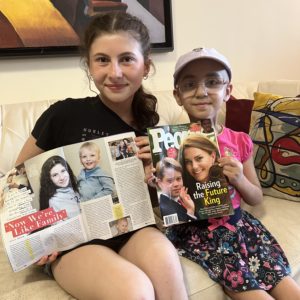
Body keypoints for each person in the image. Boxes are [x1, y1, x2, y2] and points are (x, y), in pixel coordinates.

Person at [15, 12, 188, 300]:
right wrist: (36, 237)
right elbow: (17, 181)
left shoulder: (152, 131)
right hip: (75, 241)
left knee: (168, 268)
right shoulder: (63, 114)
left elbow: (169, 204)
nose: (115, 72)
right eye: (103, 60)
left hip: (132, 229)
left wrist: (158, 177)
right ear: (89, 66)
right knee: (135, 290)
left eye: (127, 59)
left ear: (146, 66)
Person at [166, 47, 300, 299]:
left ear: (228, 91)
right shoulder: (169, 144)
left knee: (291, 292)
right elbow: (168, 204)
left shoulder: (239, 140)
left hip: (241, 227)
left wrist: (238, 179)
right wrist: (158, 181)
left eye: (212, 82)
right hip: (201, 234)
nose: (201, 91)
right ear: (177, 95)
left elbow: (256, 197)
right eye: (190, 84)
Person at [155, 157, 196, 223]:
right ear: (160, 183)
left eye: (178, 179)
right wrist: (190, 211)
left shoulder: (181, 200)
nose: (176, 184)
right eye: (170, 181)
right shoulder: (166, 209)